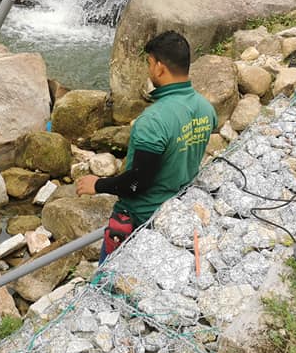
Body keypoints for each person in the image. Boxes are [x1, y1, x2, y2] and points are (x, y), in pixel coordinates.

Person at [75, 31, 217, 260]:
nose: (149, 70)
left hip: (139, 219)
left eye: (150, 63)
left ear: (160, 68)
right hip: (176, 207)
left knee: (108, 280)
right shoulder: (205, 108)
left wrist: (97, 184)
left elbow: (137, 183)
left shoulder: (152, 121)